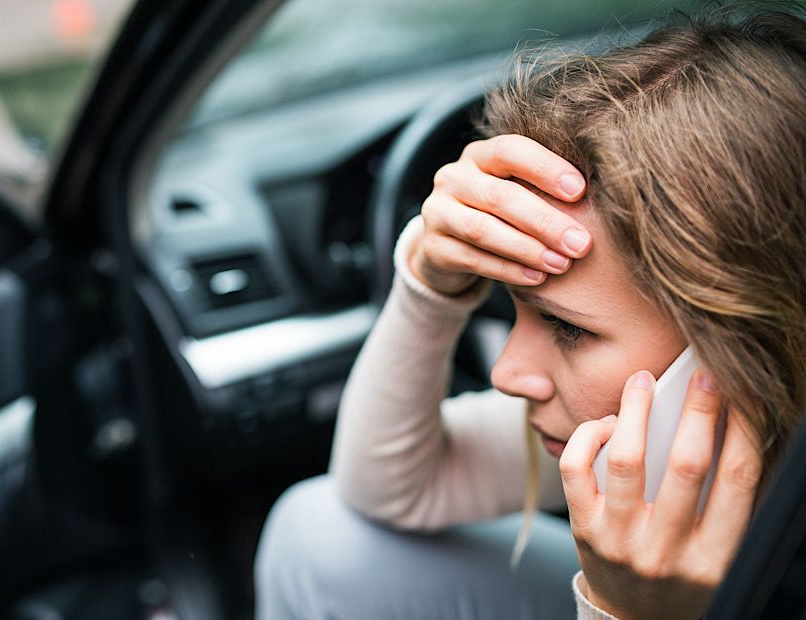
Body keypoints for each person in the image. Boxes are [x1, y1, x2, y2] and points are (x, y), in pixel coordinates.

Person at [255, 4, 806, 618]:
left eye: (568, 327)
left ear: (746, 343)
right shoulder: (635, 433)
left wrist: (620, 610)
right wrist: (429, 283)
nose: (506, 373)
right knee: (320, 533)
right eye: (511, 306)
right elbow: (391, 489)